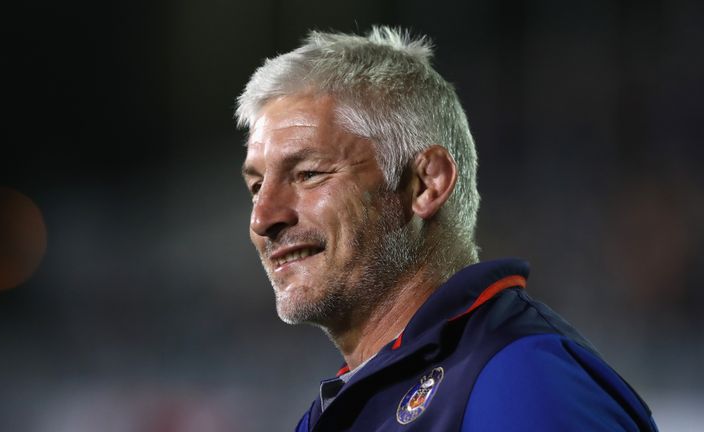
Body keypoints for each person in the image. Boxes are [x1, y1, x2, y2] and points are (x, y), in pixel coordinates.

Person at [236, 26, 658, 431]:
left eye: (308, 174)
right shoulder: (355, 399)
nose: (263, 218)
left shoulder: (521, 379)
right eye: (256, 186)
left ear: (426, 184)